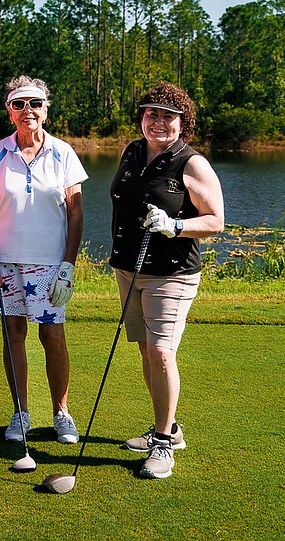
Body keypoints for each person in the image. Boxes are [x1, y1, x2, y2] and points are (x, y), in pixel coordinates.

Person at [109, 81, 224, 480]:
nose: (158, 122)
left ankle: (162, 444)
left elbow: (215, 221)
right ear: (142, 118)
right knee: (146, 352)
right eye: (151, 114)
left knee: (161, 353)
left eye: (168, 116)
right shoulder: (131, 152)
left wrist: (174, 225)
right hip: (129, 269)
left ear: (182, 122)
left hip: (171, 274)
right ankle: (169, 428)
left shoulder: (191, 163)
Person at [0, 76, 88, 445]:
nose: (28, 111)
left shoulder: (63, 153)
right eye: (19, 104)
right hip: (6, 263)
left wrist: (68, 264)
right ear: (10, 112)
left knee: (52, 336)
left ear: (45, 110)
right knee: (13, 336)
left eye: (35, 103)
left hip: (50, 263)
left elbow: (75, 213)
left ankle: (61, 413)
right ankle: (21, 413)